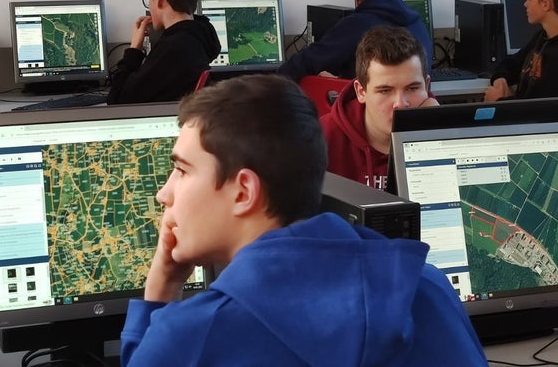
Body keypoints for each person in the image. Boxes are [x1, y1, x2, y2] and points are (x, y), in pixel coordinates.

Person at [120, 75, 487, 366]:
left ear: (243, 192)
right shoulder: (427, 286)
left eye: (182, 171)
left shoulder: (194, 334)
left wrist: (161, 293)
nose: (164, 193)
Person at [321, 25, 437, 190]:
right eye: (385, 91)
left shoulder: (447, 135)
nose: (400, 104)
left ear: (426, 85)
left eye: (412, 88)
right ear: (361, 91)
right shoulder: (321, 139)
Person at [277, 0, 433, 82]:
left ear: (358, 0)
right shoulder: (418, 23)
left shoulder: (355, 26)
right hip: (415, 111)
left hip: (371, 112)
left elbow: (305, 63)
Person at [107, 0, 221, 104]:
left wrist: (134, 49)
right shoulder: (199, 37)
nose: (149, 5)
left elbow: (116, 100)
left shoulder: (173, 48)